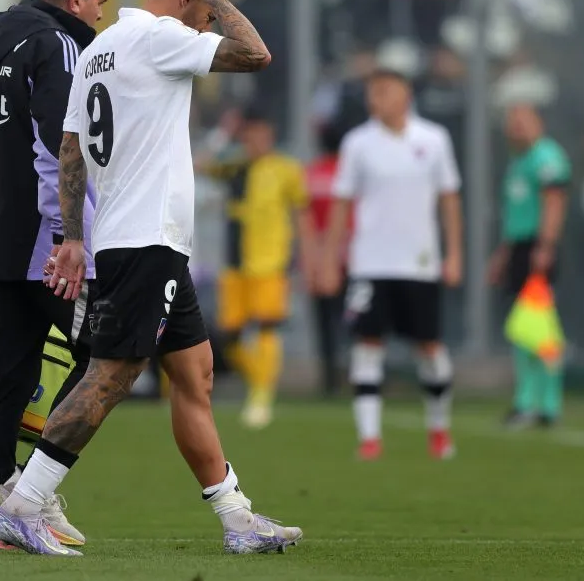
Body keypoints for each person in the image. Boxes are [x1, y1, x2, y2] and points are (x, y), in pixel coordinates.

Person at [0, 0, 302, 556]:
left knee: (196, 372)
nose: (206, 30)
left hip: (140, 241)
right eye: (204, 15)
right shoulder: (163, 37)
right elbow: (257, 53)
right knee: (112, 374)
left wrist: (76, 237)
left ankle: (237, 519)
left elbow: (70, 149)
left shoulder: (100, 46)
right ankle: (24, 502)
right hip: (146, 239)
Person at [0, 0, 109, 551]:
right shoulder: (60, 47)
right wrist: (72, 237)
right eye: (99, 2)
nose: (100, 16)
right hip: (46, 243)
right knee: (109, 355)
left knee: (9, 372)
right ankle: (28, 495)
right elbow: (61, 150)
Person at [320, 68, 463, 461]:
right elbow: (342, 203)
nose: (375, 98)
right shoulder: (358, 143)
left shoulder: (433, 139)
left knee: (430, 348)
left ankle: (439, 429)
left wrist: (455, 255)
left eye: (383, 90)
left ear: (405, 94)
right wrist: (332, 261)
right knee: (368, 346)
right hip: (369, 263)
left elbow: (449, 199)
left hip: (420, 263)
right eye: (371, 92)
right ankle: (370, 438)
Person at [198, 105, 314, 428]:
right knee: (230, 337)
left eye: (260, 135)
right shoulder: (233, 166)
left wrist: (308, 259)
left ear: (271, 136)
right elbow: (199, 165)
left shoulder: (286, 169)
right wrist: (224, 135)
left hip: (270, 262)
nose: (255, 141)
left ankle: (262, 396)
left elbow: (301, 215)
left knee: (266, 325)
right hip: (234, 265)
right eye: (248, 135)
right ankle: (259, 383)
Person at [488, 104, 570, 428]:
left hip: (537, 247)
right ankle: (534, 402)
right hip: (521, 248)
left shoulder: (546, 157)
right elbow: (516, 215)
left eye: (524, 121)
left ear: (539, 123)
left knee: (538, 329)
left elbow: (554, 201)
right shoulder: (517, 162)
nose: (517, 128)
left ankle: (543, 403)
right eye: (513, 122)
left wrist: (545, 246)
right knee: (527, 330)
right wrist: (503, 255)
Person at [306, 125, 351, 397]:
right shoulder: (348, 174)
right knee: (355, 321)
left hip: (319, 258)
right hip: (350, 257)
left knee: (325, 323)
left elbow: (306, 220)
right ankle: (356, 373)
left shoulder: (311, 174)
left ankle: (330, 378)